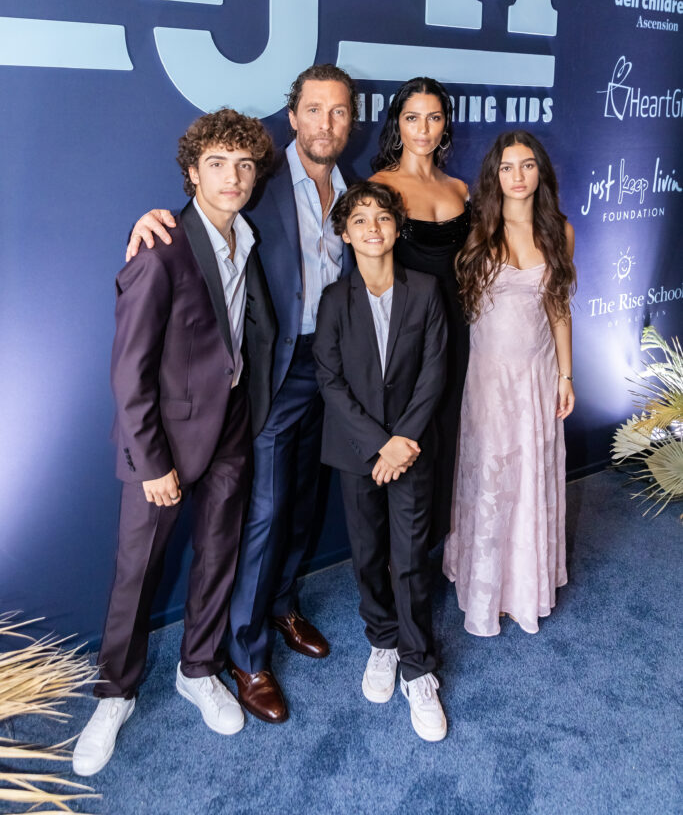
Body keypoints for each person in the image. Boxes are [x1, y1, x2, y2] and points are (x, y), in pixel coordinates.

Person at [124, 65, 357, 723]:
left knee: (304, 503)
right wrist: (152, 219)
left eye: (339, 111)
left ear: (350, 121)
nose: (326, 123)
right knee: (263, 513)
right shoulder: (258, 179)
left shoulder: (352, 189)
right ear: (294, 116)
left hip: (329, 368)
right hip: (271, 372)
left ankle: (281, 607)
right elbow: (204, 213)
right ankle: (246, 654)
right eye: (314, 109)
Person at [73, 109, 276, 776]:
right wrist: (151, 462)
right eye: (217, 164)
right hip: (163, 444)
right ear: (192, 173)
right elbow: (128, 371)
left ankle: (198, 669)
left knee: (218, 556)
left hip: (231, 430)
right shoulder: (160, 248)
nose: (232, 177)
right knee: (137, 572)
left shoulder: (247, 238)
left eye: (244, 165)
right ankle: (114, 693)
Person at [313, 181, 448, 742]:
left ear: (398, 228)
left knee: (410, 558)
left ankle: (418, 667)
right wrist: (379, 444)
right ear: (345, 234)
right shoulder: (333, 300)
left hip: (411, 450)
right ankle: (383, 640)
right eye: (360, 219)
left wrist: (404, 440)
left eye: (383, 217)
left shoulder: (426, 290)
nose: (373, 227)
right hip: (357, 453)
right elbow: (330, 379)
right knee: (368, 554)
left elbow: (435, 371)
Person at [443, 131, 576, 637]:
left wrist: (566, 375)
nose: (517, 176)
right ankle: (486, 586)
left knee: (529, 476)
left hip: (538, 374)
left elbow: (559, 307)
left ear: (541, 171)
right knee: (490, 477)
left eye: (527, 165)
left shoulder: (559, 231)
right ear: (494, 176)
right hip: (488, 377)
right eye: (506, 167)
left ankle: (523, 585)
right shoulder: (476, 228)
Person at [370, 78, 470, 544]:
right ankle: (399, 559)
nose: (424, 129)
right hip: (405, 336)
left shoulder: (460, 189)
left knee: (448, 434)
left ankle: (435, 547)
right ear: (398, 123)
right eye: (412, 118)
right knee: (408, 437)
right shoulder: (380, 188)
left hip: (459, 330)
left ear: (445, 124)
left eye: (434, 117)